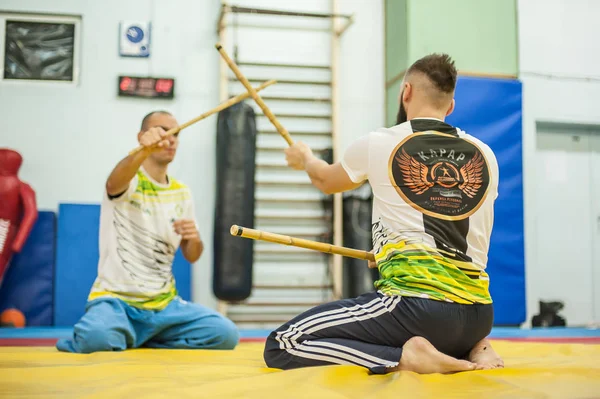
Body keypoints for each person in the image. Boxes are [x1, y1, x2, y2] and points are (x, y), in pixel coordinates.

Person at [263, 54, 504, 374]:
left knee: (283, 343)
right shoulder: (485, 154)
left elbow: (325, 180)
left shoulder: (381, 142)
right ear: (451, 107)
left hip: (417, 308)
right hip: (478, 316)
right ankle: (476, 347)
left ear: (406, 92)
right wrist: (389, 250)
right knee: (444, 320)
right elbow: (448, 219)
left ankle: (404, 358)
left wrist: (305, 157)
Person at [57, 111, 239, 353]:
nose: (171, 139)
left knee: (225, 334)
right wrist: (142, 150)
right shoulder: (129, 180)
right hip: (117, 302)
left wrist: (193, 238)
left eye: (176, 134)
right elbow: (113, 184)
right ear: (142, 136)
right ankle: (125, 333)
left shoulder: (182, 192)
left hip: (165, 306)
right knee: (96, 338)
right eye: (163, 131)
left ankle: (139, 336)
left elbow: (193, 255)